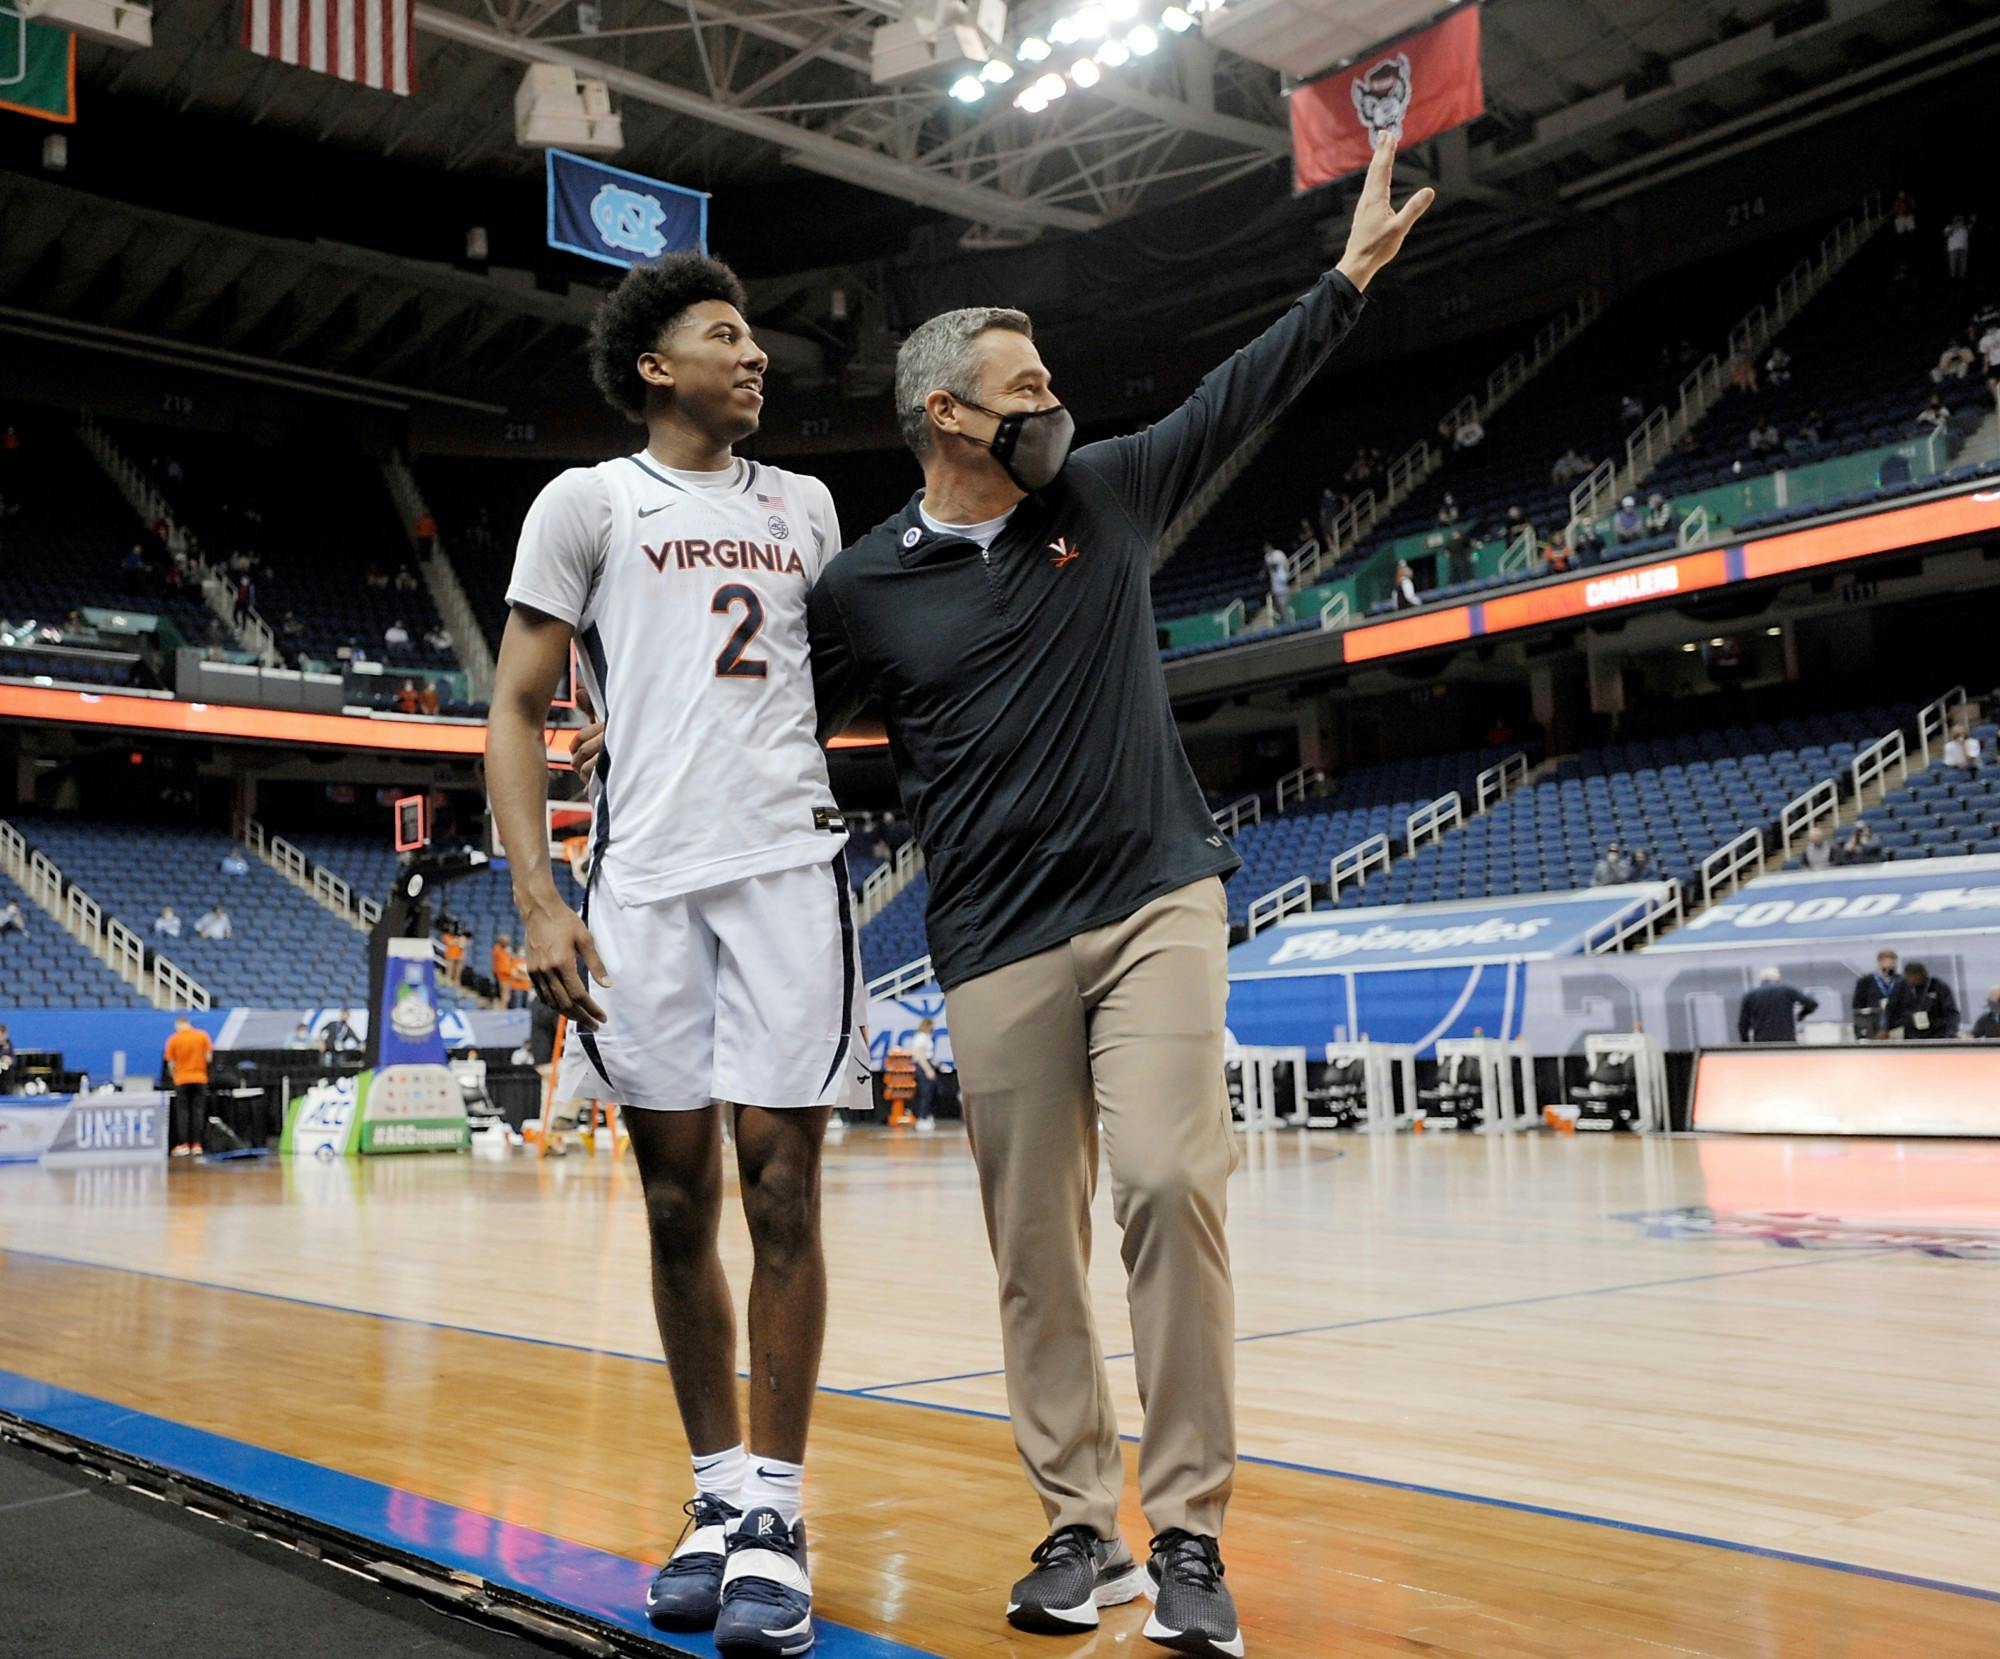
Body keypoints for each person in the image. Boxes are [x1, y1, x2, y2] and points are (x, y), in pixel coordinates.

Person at [794, 128, 1432, 1656]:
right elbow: (783, 734)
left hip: (1157, 896)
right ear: (944, 414)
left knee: (1166, 1180)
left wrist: (1343, 279)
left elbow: (1240, 394)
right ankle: (1081, 1522)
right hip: (995, 934)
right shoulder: (863, 587)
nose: (1052, 405)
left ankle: (1192, 1531)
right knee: (1032, 1242)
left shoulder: (1110, 493)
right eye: (1024, 390)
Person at [486, 251, 859, 1653]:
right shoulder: (589, 501)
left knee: (780, 1187)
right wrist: (539, 896)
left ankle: (776, 1506)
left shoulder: (807, 506)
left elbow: (861, 663)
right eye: (726, 334)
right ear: (657, 366)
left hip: (786, 870)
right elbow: (518, 707)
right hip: (639, 879)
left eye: (757, 334)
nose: (756, 354)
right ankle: (712, 1496)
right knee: (669, 1194)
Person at [163, 1014, 214, 1157]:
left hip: (182, 1080)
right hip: (200, 1078)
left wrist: (175, 1076)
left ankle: (183, 1144)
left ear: (178, 1025)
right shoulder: (202, 1036)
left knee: (183, 1113)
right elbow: (208, 1057)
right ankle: (197, 1145)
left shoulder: (173, 1039)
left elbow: (170, 1064)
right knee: (198, 1112)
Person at [1738, 966, 1817, 1044]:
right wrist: (1802, 1014)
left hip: (1762, 1043)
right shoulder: (1787, 990)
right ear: (1778, 979)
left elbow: (1743, 1024)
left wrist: (1746, 1044)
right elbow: (1812, 1004)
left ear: (1761, 980)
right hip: (1787, 1041)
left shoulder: (1750, 995)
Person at [1885, 960, 1959, 1039]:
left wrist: (1951, 1034)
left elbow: (1952, 1013)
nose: (1912, 980)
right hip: (1909, 1034)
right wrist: (1884, 1027)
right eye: (1909, 977)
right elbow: (1890, 1010)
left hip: (1937, 1033)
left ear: (1922, 974)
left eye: (1914, 976)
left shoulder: (1938, 986)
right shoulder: (1900, 987)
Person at [1853, 949, 1900, 1039]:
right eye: (1887, 962)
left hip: (1895, 1025)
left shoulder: (1900, 981)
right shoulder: (1865, 981)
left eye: (1893, 963)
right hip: (1872, 1025)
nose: (1891, 966)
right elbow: (1858, 1005)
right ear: (1879, 962)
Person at [908, 1017, 941, 1134]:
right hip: (923, 1066)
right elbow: (920, 1055)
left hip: (928, 1064)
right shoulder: (921, 1037)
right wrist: (928, 1070)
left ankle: (927, 1115)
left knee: (933, 1092)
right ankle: (921, 1118)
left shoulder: (927, 1037)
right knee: (926, 1093)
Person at [1263, 540, 1293, 623]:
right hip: (1275, 587)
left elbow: (1283, 564)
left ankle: (1288, 622)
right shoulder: (1267, 557)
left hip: (1283, 584)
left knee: (1285, 606)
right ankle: (1284, 622)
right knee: (1279, 608)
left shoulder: (1279, 554)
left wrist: (1287, 573)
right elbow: (1269, 567)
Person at [1943, 213, 1973, 281]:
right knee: (1952, 267)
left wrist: (1970, 222)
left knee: (1963, 268)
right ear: (1954, 221)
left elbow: (1970, 231)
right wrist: (1954, 227)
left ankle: (1962, 282)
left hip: (1964, 250)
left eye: (1961, 220)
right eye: (1957, 220)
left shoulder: (1965, 228)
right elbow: (1946, 234)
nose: (1959, 221)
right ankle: (1952, 282)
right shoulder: (1949, 226)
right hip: (1953, 250)